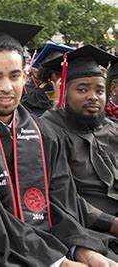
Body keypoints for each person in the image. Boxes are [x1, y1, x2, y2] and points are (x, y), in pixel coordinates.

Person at [0, 18, 115, 266]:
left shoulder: (45, 133)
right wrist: (57, 261)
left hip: (51, 245)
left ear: (24, 76)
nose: (7, 87)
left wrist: (81, 249)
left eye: (14, 75)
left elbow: (62, 203)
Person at [39, 45, 118, 238]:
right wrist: (113, 224)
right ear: (64, 92)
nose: (93, 97)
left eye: (100, 91)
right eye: (82, 89)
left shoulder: (112, 128)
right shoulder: (47, 130)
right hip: (86, 230)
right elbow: (60, 196)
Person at [21, 43, 73, 117]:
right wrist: (57, 101)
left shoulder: (72, 93)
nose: (62, 78)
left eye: (65, 73)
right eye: (58, 74)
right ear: (48, 75)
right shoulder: (35, 98)